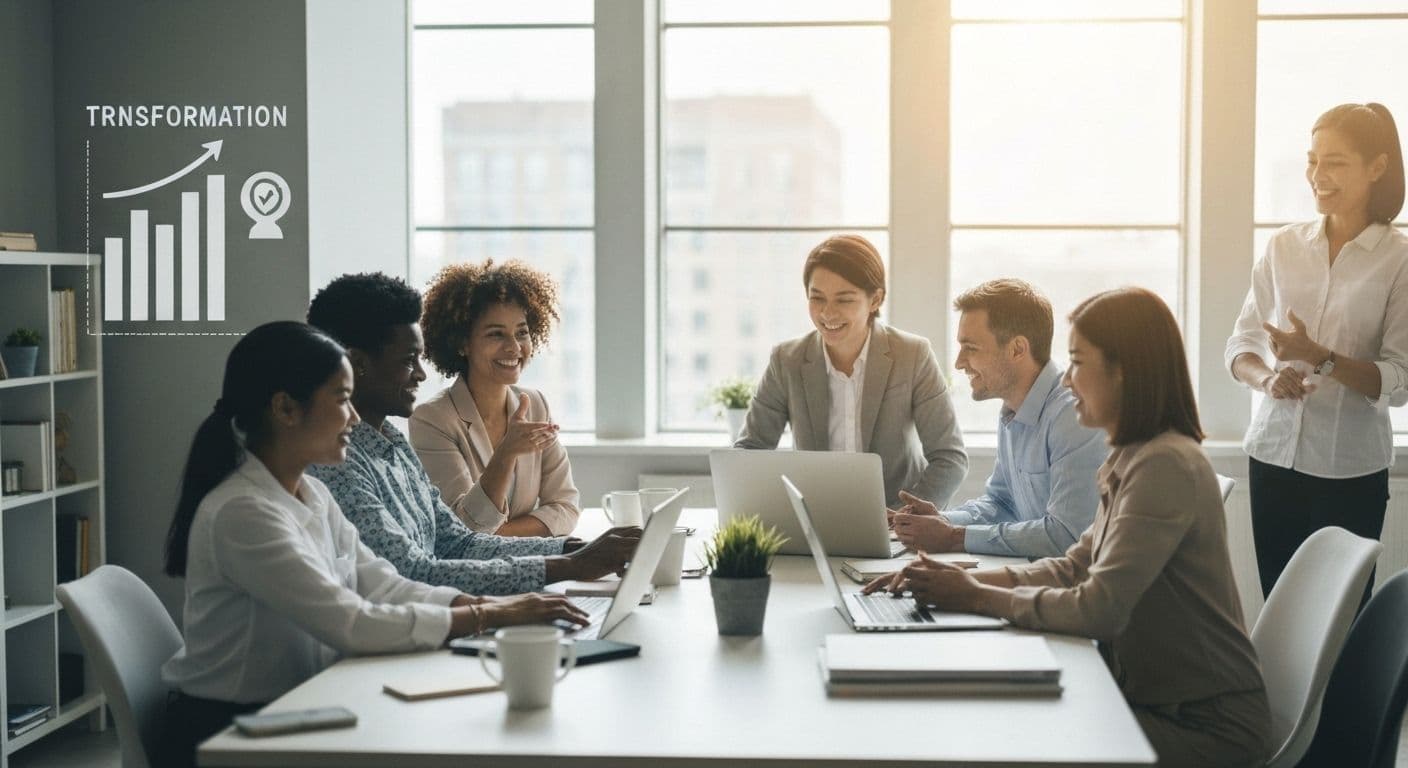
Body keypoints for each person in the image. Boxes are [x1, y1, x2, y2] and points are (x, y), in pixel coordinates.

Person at [868, 289, 1271, 767]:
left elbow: (1098, 608)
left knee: (1003, 738)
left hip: (1202, 725)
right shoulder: (1131, 456)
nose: (1067, 379)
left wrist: (975, 596)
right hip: (1148, 701)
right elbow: (1072, 567)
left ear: (1123, 372)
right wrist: (952, 580)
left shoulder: (1165, 465)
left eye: (1078, 363)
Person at [160, 322, 588, 768]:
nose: (353, 418)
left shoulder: (311, 492)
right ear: (286, 408)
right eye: (341, 400)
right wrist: (489, 615)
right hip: (231, 734)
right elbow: (351, 622)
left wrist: (485, 605)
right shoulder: (244, 513)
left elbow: (383, 585)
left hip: (299, 706)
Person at [307, 273, 639, 596]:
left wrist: (574, 549)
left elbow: (458, 542)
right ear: (358, 364)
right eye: (409, 361)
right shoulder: (336, 462)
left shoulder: (393, 443)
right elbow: (411, 574)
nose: (421, 375)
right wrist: (568, 566)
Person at [1225, 102, 1407, 605]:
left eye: (1336, 163)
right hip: (1272, 460)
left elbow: (1399, 379)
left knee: (1340, 620)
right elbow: (1241, 345)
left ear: (1377, 167)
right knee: (1282, 615)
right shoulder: (1284, 247)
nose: (1318, 176)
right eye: (1312, 161)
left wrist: (1321, 357)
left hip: (1350, 472)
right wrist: (1267, 379)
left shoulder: (1399, 260)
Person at [735, 234, 968, 508]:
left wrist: (907, 517)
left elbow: (949, 458)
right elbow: (750, 452)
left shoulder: (913, 354)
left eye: (844, 300)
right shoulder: (787, 360)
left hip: (896, 519)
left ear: (875, 300)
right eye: (817, 298)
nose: (827, 313)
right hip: (816, 518)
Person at [890, 279, 1106, 558]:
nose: (959, 362)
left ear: (1017, 349)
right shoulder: (1012, 409)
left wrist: (954, 537)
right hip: (1037, 574)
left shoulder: (1073, 416)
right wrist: (942, 521)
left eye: (971, 347)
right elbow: (1002, 503)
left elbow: (1067, 536)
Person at [411, 260, 580, 536]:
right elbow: (462, 528)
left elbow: (566, 508)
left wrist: (495, 536)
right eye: (496, 334)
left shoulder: (536, 405)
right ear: (462, 343)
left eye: (521, 332)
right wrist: (506, 452)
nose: (514, 347)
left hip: (532, 559)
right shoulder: (432, 419)